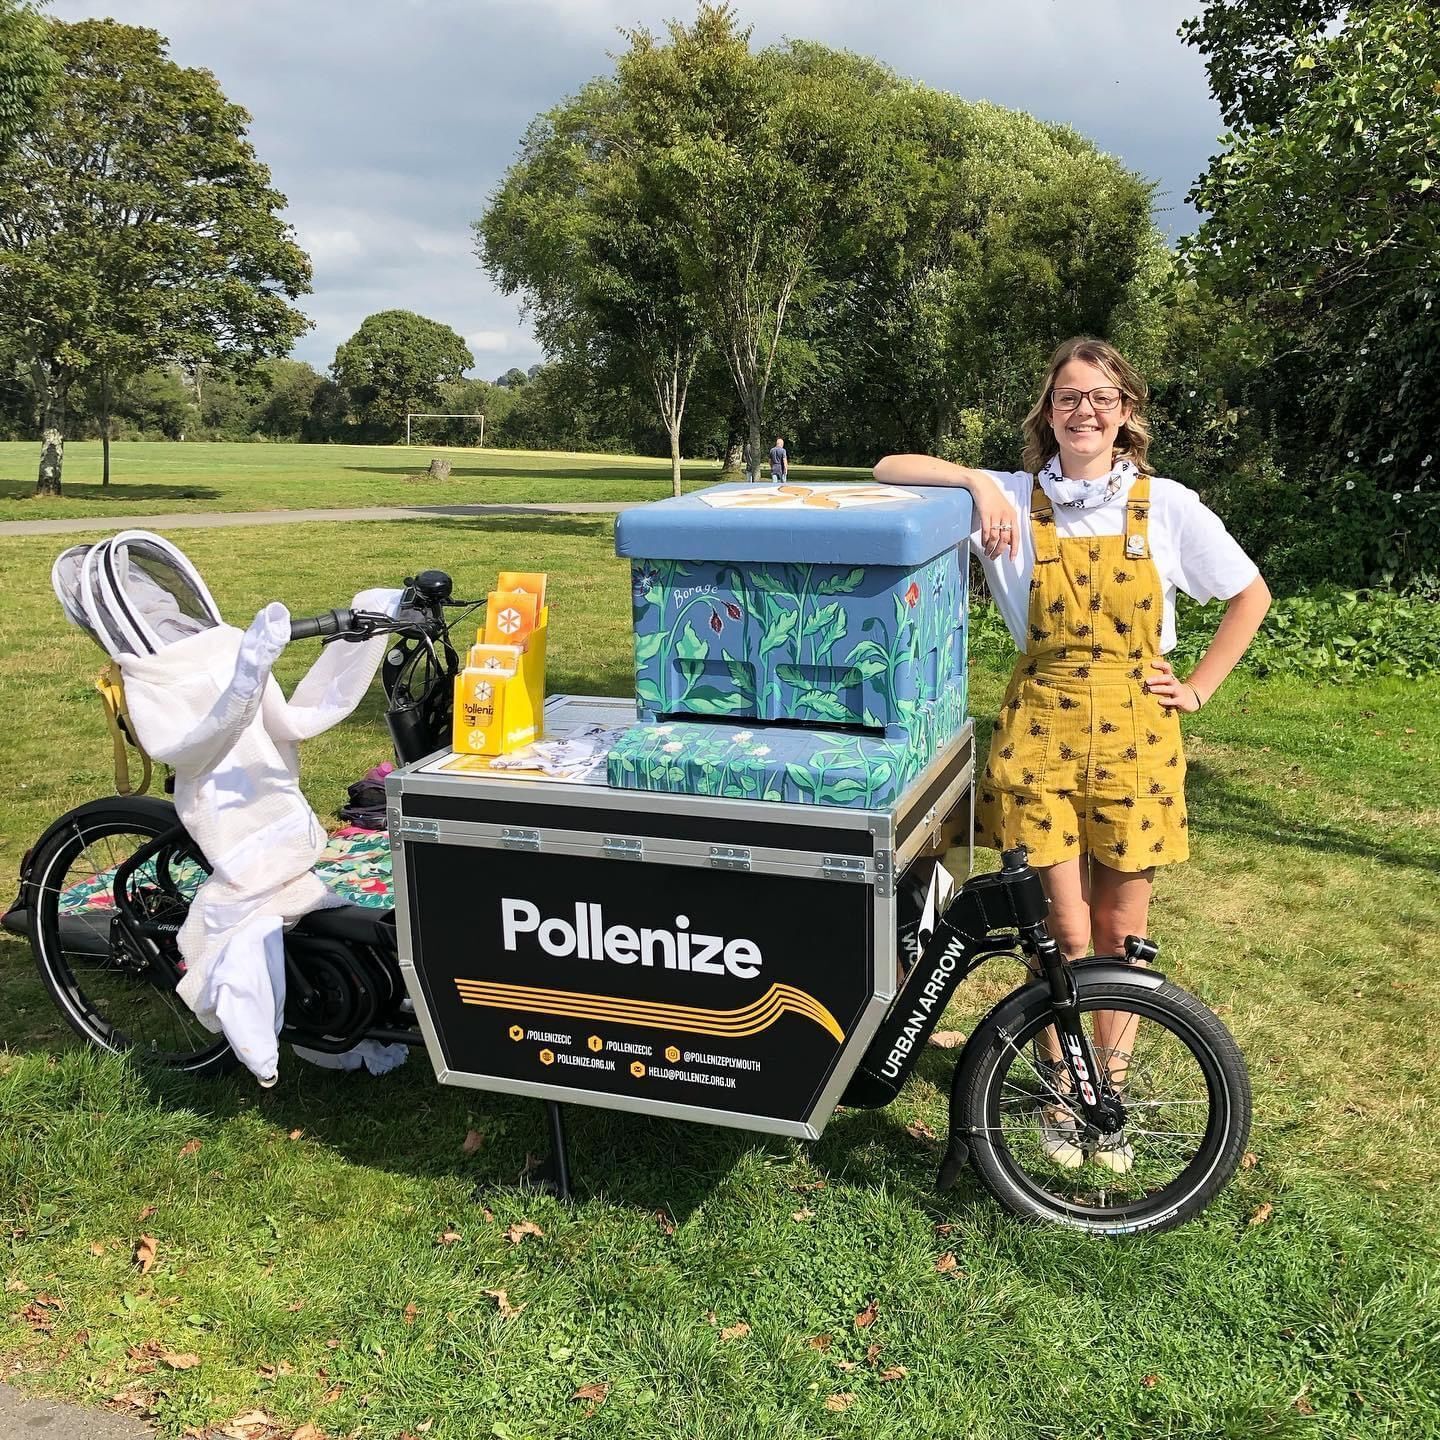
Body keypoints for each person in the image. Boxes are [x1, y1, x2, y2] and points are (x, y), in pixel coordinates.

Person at [874, 336, 1270, 1171]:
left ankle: (1109, 1095)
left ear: (1126, 413)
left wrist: (1196, 687)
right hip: (1039, 733)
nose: (1083, 410)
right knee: (1057, 924)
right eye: (1067, 398)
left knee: (1122, 929)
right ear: (1046, 414)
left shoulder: (1167, 505)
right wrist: (978, 483)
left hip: (1138, 735)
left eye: (1100, 397)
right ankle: (1062, 1085)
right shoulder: (1015, 498)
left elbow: (1249, 593)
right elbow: (888, 467)